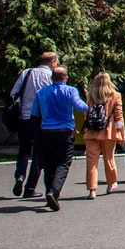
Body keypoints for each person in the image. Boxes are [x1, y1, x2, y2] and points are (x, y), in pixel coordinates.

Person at [32, 66, 89, 211]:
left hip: (46, 132)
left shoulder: (41, 92)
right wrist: (90, 105)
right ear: (66, 78)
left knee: (49, 165)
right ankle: (54, 192)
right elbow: (81, 107)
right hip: (65, 131)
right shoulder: (71, 91)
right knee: (63, 163)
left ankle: (48, 194)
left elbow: (35, 113)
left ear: (52, 78)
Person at [11, 52, 57, 198]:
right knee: (38, 155)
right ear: (52, 62)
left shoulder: (27, 72)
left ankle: (20, 176)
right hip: (42, 121)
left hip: (24, 118)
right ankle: (30, 188)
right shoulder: (51, 76)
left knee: (24, 150)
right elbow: (54, 96)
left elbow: (14, 93)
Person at [83, 72, 125, 199]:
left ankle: (92, 190)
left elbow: (86, 114)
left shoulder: (90, 96)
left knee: (91, 162)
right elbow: (119, 118)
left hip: (91, 132)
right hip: (109, 132)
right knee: (109, 159)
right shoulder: (115, 95)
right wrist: (122, 135)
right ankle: (111, 184)